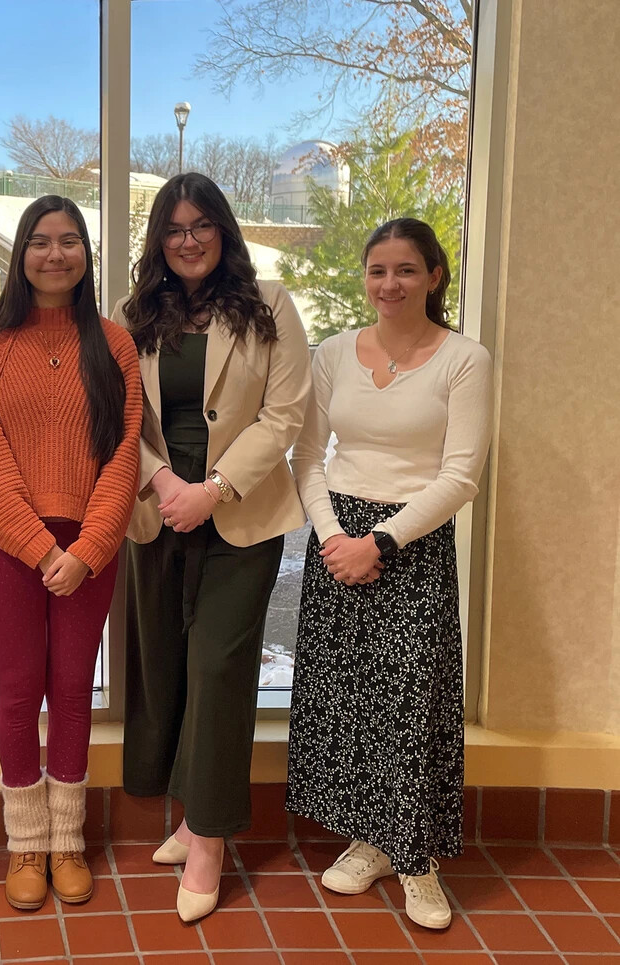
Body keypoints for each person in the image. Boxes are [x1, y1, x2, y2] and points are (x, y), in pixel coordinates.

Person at [114, 172, 311, 923]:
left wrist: (213, 488)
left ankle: (208, 838)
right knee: (165, 667)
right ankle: (189, 809)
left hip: (241, 517)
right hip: (157, 509)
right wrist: (165, 480)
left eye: (201, 225)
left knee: (219, 667)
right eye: (173, 227)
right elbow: (117, 415)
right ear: (159, 240)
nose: (188, 239)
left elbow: (285, 414)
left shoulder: (270, 307)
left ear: (223, 231)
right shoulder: (134, 317)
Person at [286, 217, 491, 930]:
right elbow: (307, 454)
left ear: (433, 274)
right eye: (378, 270)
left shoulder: (464, 358)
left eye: (406, 269)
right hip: (336, 535)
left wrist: (383, 540)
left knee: (409, 701)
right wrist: (335, 534)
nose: (389, 284)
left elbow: (462, 475)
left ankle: (417, 858)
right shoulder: (334, 353)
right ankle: (371, 839)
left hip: (413, 539)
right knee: (348, 695)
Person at [0, 195, 141, 911]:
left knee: (71, 689)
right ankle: (24, 844)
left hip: (90, 551)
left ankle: (67, 840)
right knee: (17, 690)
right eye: (41, 240)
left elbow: (124, 454)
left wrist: (90, 547)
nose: (55, 254)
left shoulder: (114, 343)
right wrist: (41, 549)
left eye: (70, 241)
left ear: (87, 255)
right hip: (10, 547)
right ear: (20, 253)